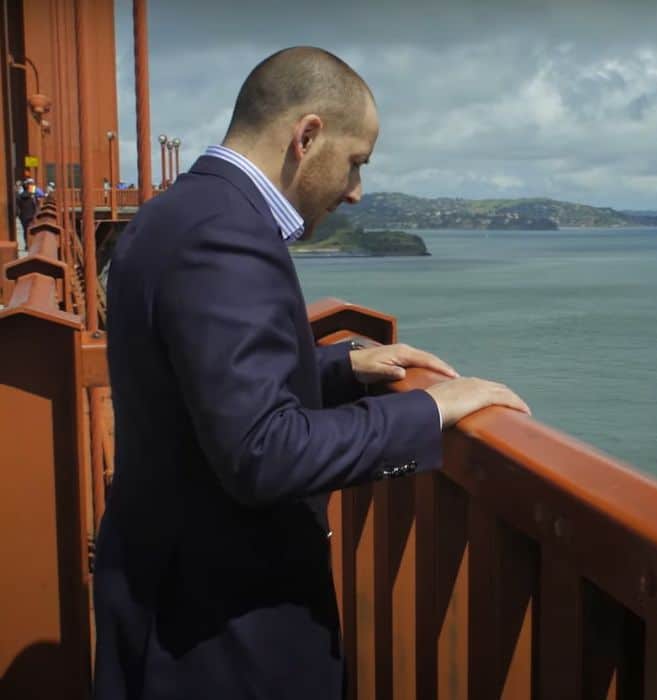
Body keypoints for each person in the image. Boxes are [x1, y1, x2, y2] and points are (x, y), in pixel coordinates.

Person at [94, 46, 531, 699]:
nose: (356, 191)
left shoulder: (177, 211)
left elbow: (202, 380)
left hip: (163, 604)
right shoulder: (227, 236)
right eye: (356, 164)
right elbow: (263, 453)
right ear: (307, 136)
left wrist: (339, 369)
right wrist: (431, 410)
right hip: (216, 643)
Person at [15, 179, 37, 247]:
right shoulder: (31, 196)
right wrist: (35, 213)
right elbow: (34, 205)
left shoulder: (19, 196)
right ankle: (31, 243)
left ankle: (26, 244)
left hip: (23, 216)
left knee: (25, 230)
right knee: (32, 229)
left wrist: (18, 215)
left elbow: (17, 206)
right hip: (31, 215)